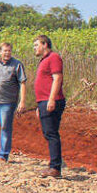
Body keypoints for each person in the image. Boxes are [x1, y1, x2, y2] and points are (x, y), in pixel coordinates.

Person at [33, 34, 66, 178]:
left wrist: (51, 100)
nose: (35, 48)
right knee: (49, 133)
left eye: (36, 45)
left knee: (51, 133)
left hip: (51, 100)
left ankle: (55, 168)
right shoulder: (44, 60)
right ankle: (54, 165)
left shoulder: (54, 57)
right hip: (44, 101)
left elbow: (57, 78)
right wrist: (39, 105)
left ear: (45, 44)